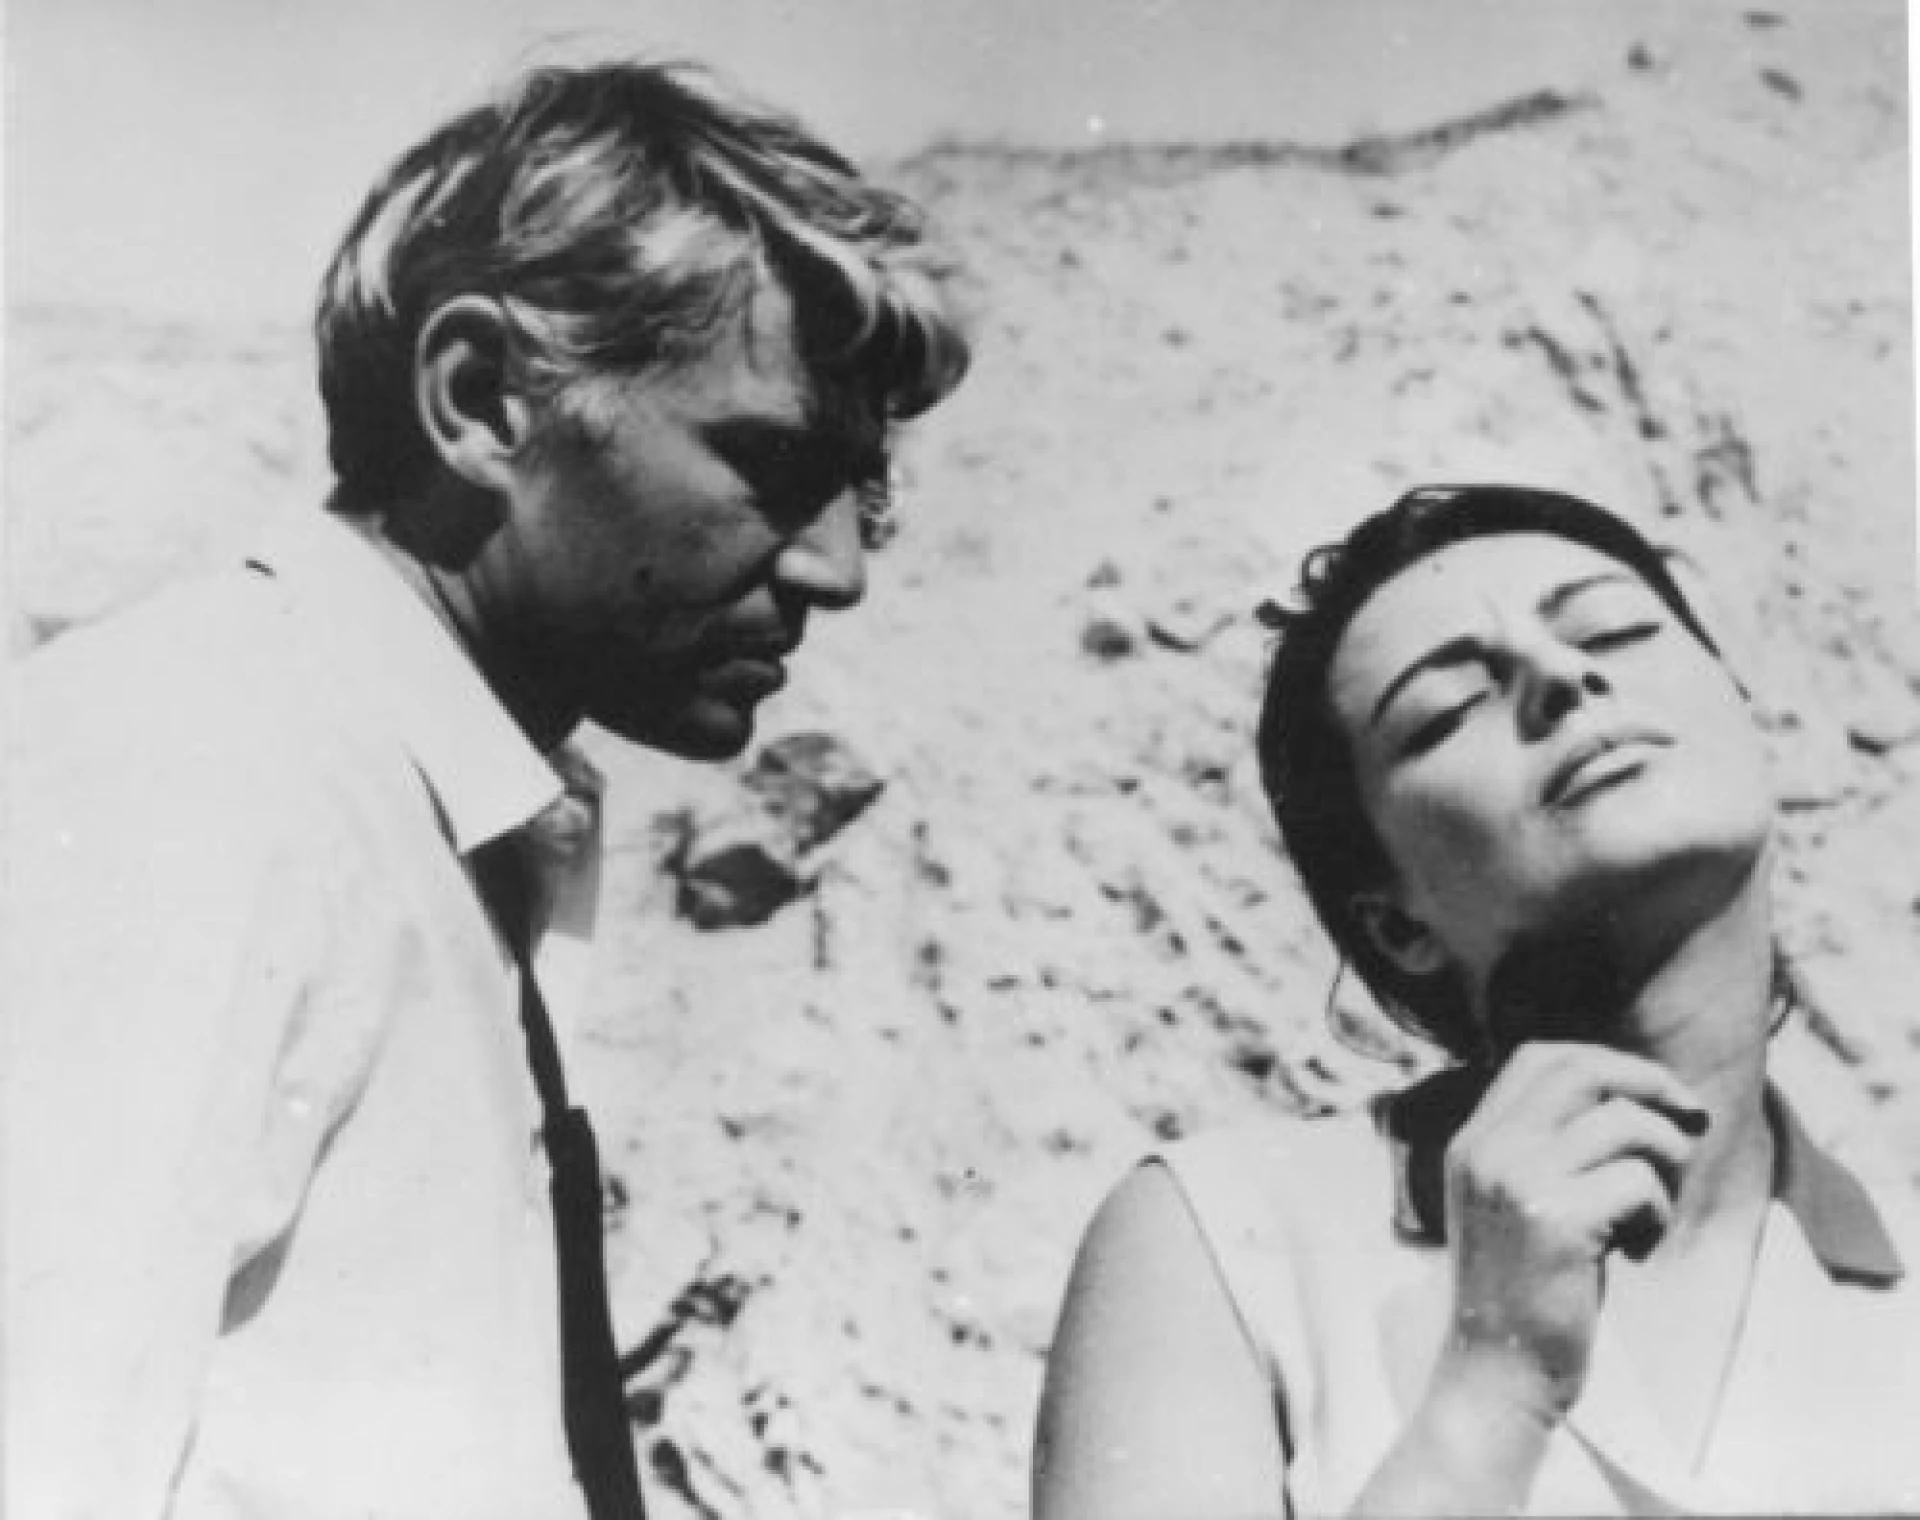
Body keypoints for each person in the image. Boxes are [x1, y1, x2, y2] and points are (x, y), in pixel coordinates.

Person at [5, 60, 968, 1520]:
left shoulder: (425, 799)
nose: (839, 567)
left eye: (866, 493)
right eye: (774, 465)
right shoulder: (198, 767)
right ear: (481, 399)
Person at [1032, 485, 1920, 1517]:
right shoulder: (1219, 1239)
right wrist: (1493, 1384)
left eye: (1614, 631)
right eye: (1448, 709)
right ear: (1395, 924)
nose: (1563, 676)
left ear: (1753, 720)